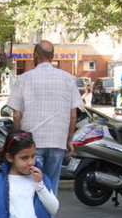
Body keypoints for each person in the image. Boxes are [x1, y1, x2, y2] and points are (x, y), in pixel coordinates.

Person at [7, 40, 82, 195]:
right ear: (52, 56)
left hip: (31, 143)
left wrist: (18, 140)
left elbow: (17, 114)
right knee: (50, 188)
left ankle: (32, 211)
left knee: (31, 187)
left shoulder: (24, 79)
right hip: (57, 142)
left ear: (35, 55)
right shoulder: (68, 78)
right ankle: (49, 211)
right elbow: (73, 115)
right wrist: (69, 140)